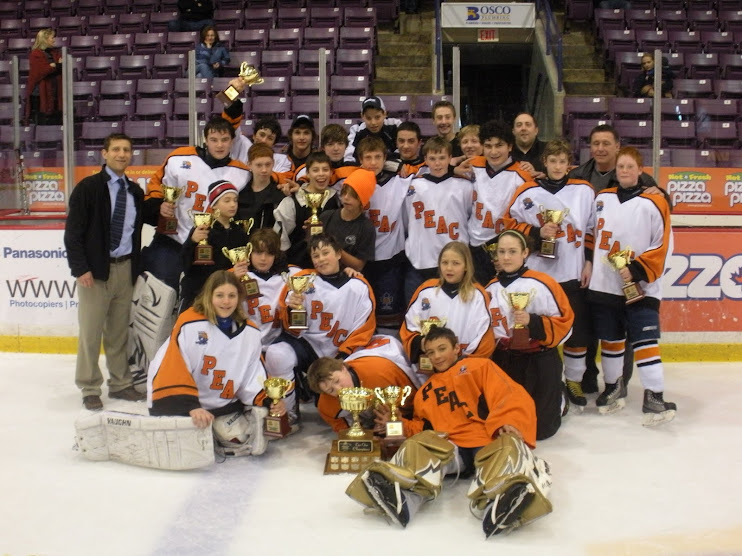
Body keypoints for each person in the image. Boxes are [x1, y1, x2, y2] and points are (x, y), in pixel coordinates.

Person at [345, 326, 553, 538]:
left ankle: (502, 501)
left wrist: (508, 421)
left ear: (456, 348)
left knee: (508, 445)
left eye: (441, 349)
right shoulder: (424, 393)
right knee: (419, 443)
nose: (436, 356)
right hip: (453, 451)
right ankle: (405, 499)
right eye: (431, 352)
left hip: (487, 441)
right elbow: (422, 427)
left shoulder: (479, 366)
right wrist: (396, 424)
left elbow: (509, 395)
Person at [567, 123, 663, 393]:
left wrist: (663, 193)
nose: (600, 148)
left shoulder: (639, 177)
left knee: (624, 329)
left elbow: (659, 206)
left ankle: (620, 382)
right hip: (591, 269)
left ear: (617, 146)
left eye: (606, 143)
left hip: (625, 272)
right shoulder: (578, 174)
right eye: (595, 143)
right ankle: (587, 377)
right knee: (592, 327)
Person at [148, 271, 285, 457]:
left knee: (241, 439)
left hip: (223, 404)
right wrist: (191, 406)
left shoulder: (250, 332)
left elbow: (253, 374)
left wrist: (270, 400)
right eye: (219, 295)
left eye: (231, 296)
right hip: (187, 403)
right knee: (186, 448)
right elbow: (172, 365)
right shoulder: (190, 323)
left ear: (239, 298)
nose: (226, 302)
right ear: (209, 296)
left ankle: (215, 430)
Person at [503, 140, 595, 411]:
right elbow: (508, 225)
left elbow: (592, 229)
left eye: (562, 161)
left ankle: (574, 381)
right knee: (539, 329)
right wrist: (535, 232)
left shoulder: (584, 191)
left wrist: (588, 262)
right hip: (538, 278)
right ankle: (544, 380)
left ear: (570, 163)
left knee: (576, 332)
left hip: (572, 272)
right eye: (552, 161)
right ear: (545, 162)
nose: (557, 166)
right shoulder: (527, 192)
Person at [588, 147, 676, 426]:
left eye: (630, 166)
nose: (624, 171)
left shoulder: (655, 202)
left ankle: (654, 395)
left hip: (642, 286)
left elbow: (663, 244)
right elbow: (591, 233)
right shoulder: (602, 198)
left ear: (641, 170)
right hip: (605, 284)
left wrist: (636, 269)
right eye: (621, 167)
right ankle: (613, 387)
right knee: (611, 340)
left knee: (645, 340)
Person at [64, 133, 148, 410]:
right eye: (116, 149)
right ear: (104, 153)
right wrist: (81, 268)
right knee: (91, 333)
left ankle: (121, 384)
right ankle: (89, 386)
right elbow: (73, 234)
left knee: (118, 332)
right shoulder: (88, 188)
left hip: (125, 269)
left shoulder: (135, 192)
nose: (122, 154)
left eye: (126, 149)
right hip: (95, 273)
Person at [264, 233, 376, 423]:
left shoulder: (358, 286)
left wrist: (343, 355)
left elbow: (363, 329)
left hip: (341, 350)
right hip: (308, 344)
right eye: (316, 256)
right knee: (277, 354)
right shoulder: (302, 280)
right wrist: (291, 308)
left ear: (339, 254)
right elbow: (290, 327)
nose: (321, 259)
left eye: (326, 253)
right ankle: (287, 414)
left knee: (333, 403)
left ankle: (358, 416)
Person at [142, 116, 251, 291]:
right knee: (159, 299)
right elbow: (156, 186)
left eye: (224, 140)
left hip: (210, 248)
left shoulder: (242, 172)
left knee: (200, 300)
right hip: (172, 241)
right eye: (214, 140)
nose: (219, 145)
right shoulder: (179, 158)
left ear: (232, 142)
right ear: (205, 140)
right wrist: (158, 205)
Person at [485, 230, 574, 440]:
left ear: (525, 253)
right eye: (502, 251)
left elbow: (566, 324)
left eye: (512, 251)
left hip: (540, 359)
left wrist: (532, 322)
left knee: (542, 431)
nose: (506, 257)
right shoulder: (488, 289)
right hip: (505, 361)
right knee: (507, 427)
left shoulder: (544, 283)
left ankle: (559, 395)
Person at [401, 241, 495, 373]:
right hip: (430, 365)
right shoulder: (426, 290)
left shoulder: (477, 294)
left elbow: (484, 336)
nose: (449, 268)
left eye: (456, 263)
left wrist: (459, 362)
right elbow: (409, 326)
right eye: (444, 263)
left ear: (466, 266)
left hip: (464, 369)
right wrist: (424, 344)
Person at [461, 120, 531, 287]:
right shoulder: (473, 165)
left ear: (510, 146)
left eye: (499, 145)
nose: (493, 151)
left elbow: (525, 220)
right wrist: (453, 169)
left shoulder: (522, 176)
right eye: (488, 146)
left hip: (503, 247)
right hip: (474, 246)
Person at [404, 136, 473, 301]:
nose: (437, 163)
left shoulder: (465, 186)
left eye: (442, 158)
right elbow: (406, 220)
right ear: (425, 159)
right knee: (417, 314)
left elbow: (471, 218)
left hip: (454, 261)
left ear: (450, 158)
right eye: (432, 158)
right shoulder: (412, 186)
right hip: (419, 261)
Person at [307, 335, 418, 433]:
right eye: (331, 390)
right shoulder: (326, 405)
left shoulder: (380, 371)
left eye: (337, 381)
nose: (338, 389)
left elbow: (414, 395)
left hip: (386, 350)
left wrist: (399, 422)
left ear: (343, 368)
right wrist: (366, 436)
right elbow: (342, 429)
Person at [360, 136, 414, 328]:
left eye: (377, 157)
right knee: (363, 315)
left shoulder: (400, 182)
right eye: (368, 157)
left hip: (391, 261)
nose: (373, 162)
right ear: (360, 160)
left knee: (388, 316)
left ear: (385, 159)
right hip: (363, 261)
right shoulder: (352, 186)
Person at [178, 180, 250, 312]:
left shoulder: (239, 232)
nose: (233, 205)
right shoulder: (202, 229)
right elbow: (185, 264)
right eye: (227, 201)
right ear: (214, 205)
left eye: (235, 200)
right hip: (199, 294)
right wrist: (192, 242)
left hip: (226, 297)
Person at [273, 151, 340, 268]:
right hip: (298, 265)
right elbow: (280, 237)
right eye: (315, 170)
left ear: (331, 173)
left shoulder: (337, 200)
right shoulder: (293, 199)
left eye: (325, 169)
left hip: (330, 266)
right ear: (307, 174)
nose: (321, 174)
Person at [234, 228, 299, 349]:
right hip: (244, 341)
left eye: (269, 253)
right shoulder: (236, 275)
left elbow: (320, 279)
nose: (263, 258)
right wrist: (232, 282)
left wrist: (346, 272)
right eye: (258, 253)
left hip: (279, 342)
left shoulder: (292, 275)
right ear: (249, 253)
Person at [320, 168, 377, 272]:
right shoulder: (326, 216)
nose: (346, 198)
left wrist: (334, 248)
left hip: (349, 279)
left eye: (352, 195)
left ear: (362, 199)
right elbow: (313, 249)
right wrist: (310, 233)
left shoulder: (366, 228)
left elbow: (359, 265)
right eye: (344, 192)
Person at [237, 144, 285, 229]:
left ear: (273, 163)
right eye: (259, 165)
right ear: (249, 165)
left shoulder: (280, 196)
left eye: (268, 164)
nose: (264, 170)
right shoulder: (239, 195)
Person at [346, 96, 403, 161]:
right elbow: (348, 158)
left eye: (377, 117)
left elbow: (404, 151)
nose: (373, 122)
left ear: (384, 114)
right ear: (362, 116)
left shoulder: (395, 125)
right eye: (368, 118)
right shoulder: (356, 130)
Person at [26, 29, 62, 125]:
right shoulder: (35, 54)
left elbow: (60, 65)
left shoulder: (55, 52)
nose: (54, 40)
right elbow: (41, 71)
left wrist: (53, 65)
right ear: (45, 39)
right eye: (52, 38)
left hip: (55, 90)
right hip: (40, 93)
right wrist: (53, 65)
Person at [511, 113, 546, 177]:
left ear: (536, 130)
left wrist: (545, 178)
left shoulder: (549, 151)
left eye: (528, 125)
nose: (523, 128)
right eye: (519, 125)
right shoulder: (506, 153)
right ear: (513, 131)